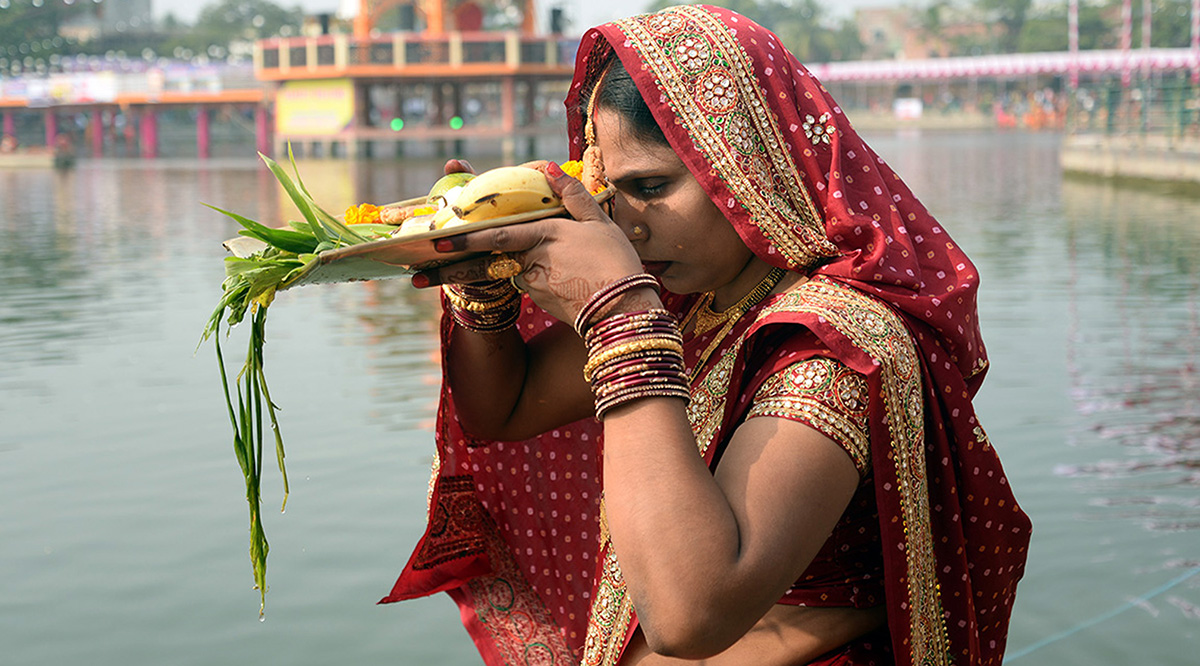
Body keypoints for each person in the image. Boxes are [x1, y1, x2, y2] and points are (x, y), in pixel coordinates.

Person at [380, 5, 1031, 666]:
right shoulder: (695, 301)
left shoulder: (829, 347)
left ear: (744, 167)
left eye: (652, 187)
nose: (627, 227)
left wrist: (618, 314)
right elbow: (505, 408)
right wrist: (485, 293)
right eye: (610, 195)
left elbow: (689, 615)